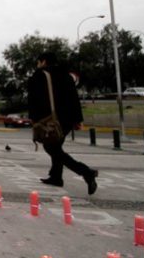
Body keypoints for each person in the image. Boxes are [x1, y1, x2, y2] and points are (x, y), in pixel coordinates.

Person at [28, 52, 98, 195]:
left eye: (38, 62)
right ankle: (56, 177)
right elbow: (74, 98)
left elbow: (33, 100)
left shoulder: (39, 76)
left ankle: (86, 172)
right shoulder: (66, 76)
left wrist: (33, 119)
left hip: (49, 120)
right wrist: (78, 120)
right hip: (67, 120)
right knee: (56, 145)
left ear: (43, 62)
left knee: (51, 148)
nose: (37, 65)